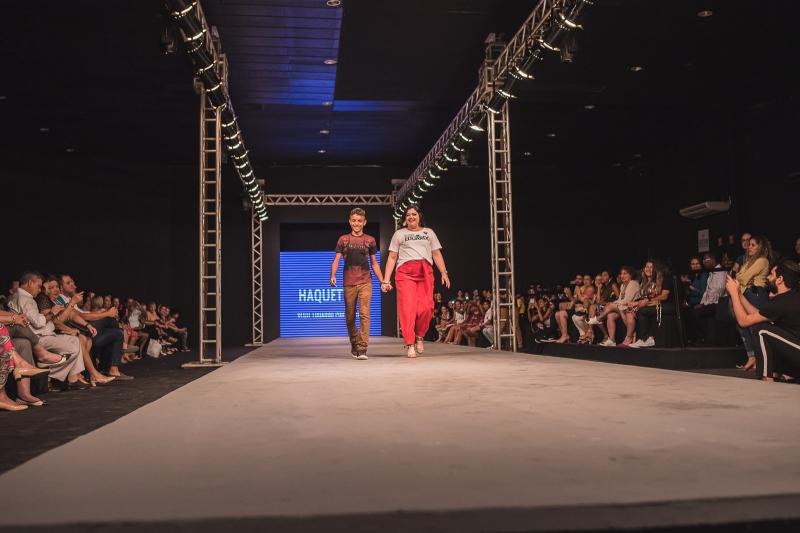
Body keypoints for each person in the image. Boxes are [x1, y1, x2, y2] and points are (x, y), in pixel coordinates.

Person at [383, 204, 450, 358]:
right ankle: (410, 343)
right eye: (408, 215)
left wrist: (444, 272)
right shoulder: (399, 234)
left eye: (414, 214)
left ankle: (419, 336)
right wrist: (386, 280)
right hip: (405, 274)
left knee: (426, 308)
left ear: (419, 216)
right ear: (405, 218)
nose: (411, 217)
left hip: (425, 273)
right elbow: (392, 257)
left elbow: (436, 254)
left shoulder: (429, 233)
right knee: (408, 309)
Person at [726, 260, 800, 381]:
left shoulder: (783, 301)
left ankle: (767, 377)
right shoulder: (789, 297)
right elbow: (757, 315)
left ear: (780, 279)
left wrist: (733, 294)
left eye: (771, 274)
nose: (768, 278)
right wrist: (739, 294)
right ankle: (786, 373)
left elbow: (743, 321)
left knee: (761, 330)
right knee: (763, 325)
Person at [329, 208, 384, 360]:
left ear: (364, 222)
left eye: (359, 221)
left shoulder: (370, 240)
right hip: (349, 282)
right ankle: (354, 343)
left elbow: (374, 263)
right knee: (350, 317)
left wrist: (383, 281)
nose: (356, 223)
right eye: (354, 220)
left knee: (364, 314)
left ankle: (362, 348)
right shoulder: (343, 239)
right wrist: (332, 275)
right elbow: (336, 259)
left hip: (366, 281)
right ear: (349, 221)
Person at [733, 235, 772, 370]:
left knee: (755, 327)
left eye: (753, 245)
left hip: (756, 294)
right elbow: (737, 276)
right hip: (746, 293)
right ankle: (752, 357)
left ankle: (760, 360)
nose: (749, 247)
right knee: (742, 325)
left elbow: (743, 278)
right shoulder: (749, 262)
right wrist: (741, 277)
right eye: (749, 245)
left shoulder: (762, 261)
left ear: (760, 247)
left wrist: (741, 277)